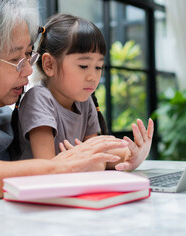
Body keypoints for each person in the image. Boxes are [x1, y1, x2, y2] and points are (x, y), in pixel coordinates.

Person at [0, 0, 141, 206]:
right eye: (15, 60)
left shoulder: (3, 116)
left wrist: (128, 155)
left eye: (29, 55)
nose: (29, 71)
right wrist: (57, 168)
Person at [14, 13, 154, 171]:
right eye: (83, 66)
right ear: (49, 65)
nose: (93, 76)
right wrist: (93, 161)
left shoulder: (84, 102)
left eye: (98, 67)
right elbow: (47, 168)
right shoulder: (39, 98)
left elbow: (96, 155)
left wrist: (133, 153)